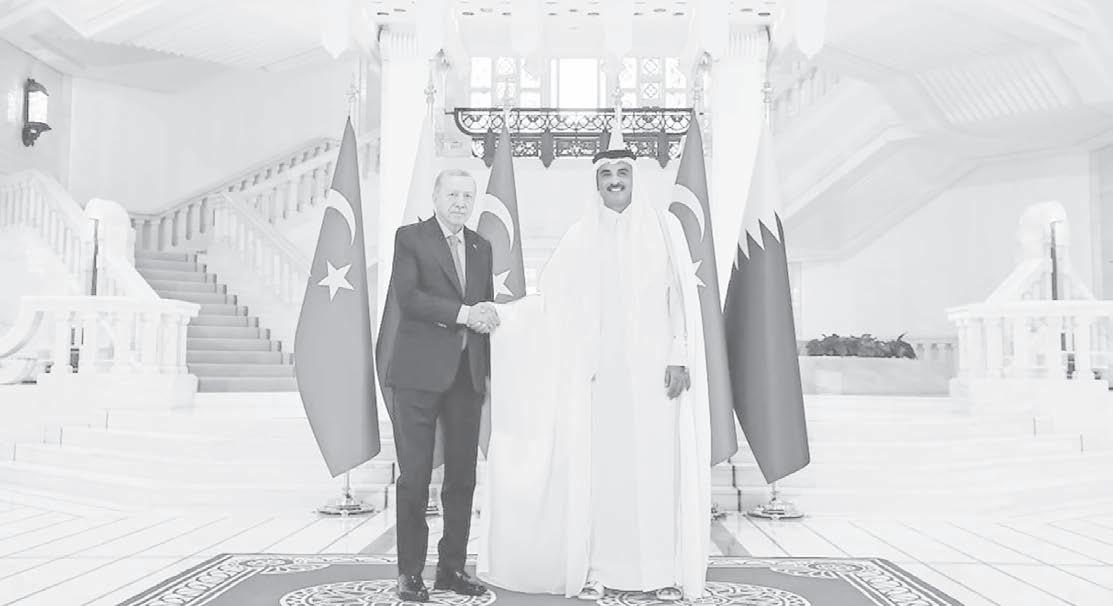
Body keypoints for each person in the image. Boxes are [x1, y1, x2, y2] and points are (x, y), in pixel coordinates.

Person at [478, 127, 712, 601]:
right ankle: (599, 567)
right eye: (606, 174)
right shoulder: (579, 236)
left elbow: (680, 301)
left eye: (623, 172)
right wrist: (504, 316)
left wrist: (678, 354)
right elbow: (550, 303)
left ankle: (660, 571)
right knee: (603, 474)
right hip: (598, 379)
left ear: (636, 178)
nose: (615, 180)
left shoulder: (665, 229)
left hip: (656, 377)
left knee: (656, 470)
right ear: (596, 183)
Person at [385, 168, 499, 602]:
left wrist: (489, 318)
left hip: (466, 376)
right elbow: (410, 299)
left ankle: (451, 569)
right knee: (414, 477)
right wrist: (466, 314)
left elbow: (485, 305)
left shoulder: (482, 246)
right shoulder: (410, 239)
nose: (460, 203)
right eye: (452, 194)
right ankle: (409, 573)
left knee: (462, 478)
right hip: (418, 374)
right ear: (435, 197)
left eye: (467, 196)